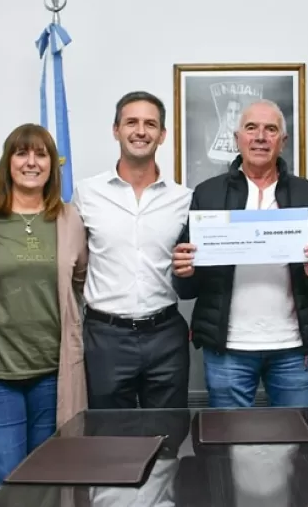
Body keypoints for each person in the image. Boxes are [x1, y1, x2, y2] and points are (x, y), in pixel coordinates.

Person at [0, 124, 89, 505]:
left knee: (51, 476)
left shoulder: (69, 219)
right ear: (7, 162)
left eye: (41, 154)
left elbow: (79, 280)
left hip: (53, 373)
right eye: (22, 153)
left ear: (52, 165)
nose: (31, 162)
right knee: (5, 478)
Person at [171, 99, 308, 408]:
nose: (260, 137)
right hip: (228, 349)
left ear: (282, 141)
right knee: (228, 437)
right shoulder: (207, 194)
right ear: (237, 138)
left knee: (295, 437)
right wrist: (184, 270)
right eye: (251, 128)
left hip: (293, 348)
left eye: (270, 129)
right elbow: (186, 288)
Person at [72, 91, 192, 409]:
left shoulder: (183, 199)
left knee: (168, 432)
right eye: (131, 122)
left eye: (150, 124)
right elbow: (74, 263)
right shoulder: (86, 194)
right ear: (116, 130)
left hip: (166, 335)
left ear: (162, 135)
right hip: (105, 338)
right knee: (110, 436)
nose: (141, 131)